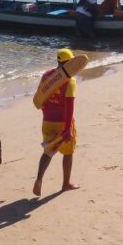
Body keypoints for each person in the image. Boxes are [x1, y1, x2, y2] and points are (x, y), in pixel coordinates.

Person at [32, 48, 80, 196]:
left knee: (47, 152)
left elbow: (40, 98)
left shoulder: (46, 75)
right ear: (69, 63)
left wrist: (46, 112)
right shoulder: (70, 81)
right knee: (68, 153)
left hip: (47, 121)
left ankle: (39, 179)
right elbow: (69, 106)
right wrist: (67, 129)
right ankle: (66, 183)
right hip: (63, 122)